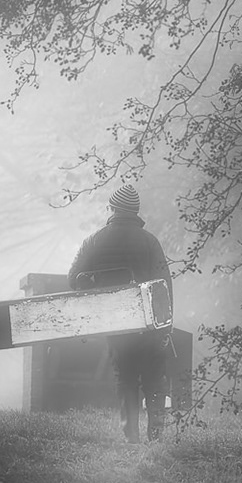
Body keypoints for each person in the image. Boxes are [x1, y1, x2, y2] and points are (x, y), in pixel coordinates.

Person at [69, 185, 173, 442]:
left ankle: (131, 436)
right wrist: (165, 328)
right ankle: (156, 436)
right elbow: (164, 285)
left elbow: (73, 279)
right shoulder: (150, 242)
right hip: (147, 322)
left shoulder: (95, 240)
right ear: (135, 212)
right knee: (152, 376)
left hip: (115, 322)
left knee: (125, 376)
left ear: (113, 209)